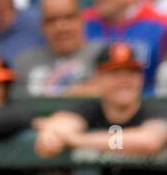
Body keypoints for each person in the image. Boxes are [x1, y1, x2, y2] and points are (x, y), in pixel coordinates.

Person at [33, 43, 167, 158]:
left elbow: (150, 141)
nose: (124, 80)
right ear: (98, 78)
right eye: (115, 73)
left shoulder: (155, 108)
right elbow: (59, 126)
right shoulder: (90, 108)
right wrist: (51, 132)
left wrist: (77, 140)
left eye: (131, 72)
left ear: (141, 78)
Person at [13, 0, 102, 97]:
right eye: (51, 20)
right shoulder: (23, 63)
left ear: (82, 19)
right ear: (42, 26)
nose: (61, 27)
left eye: (69, 17)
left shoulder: (103, 57)